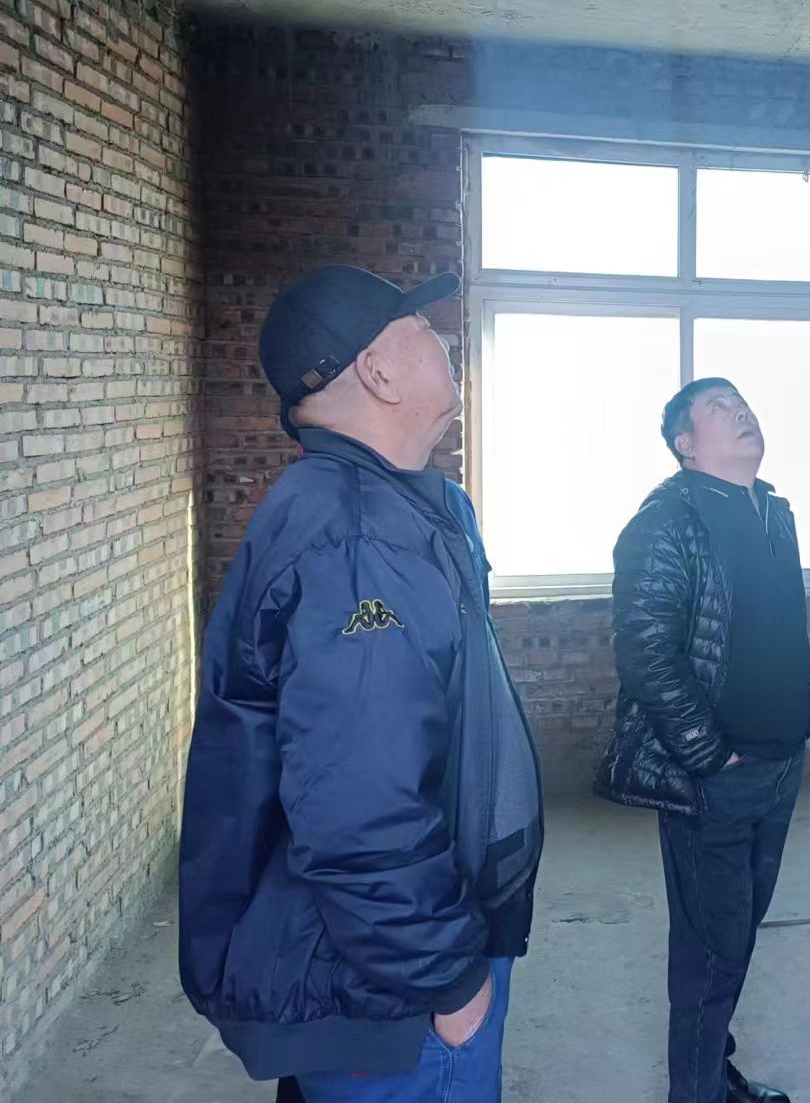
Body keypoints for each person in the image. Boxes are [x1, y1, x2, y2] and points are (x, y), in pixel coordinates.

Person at [179, 266, 543, 1103]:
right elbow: (361, 803)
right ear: (377, 371)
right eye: (422, 328)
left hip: (382, 953)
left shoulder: (394, 507)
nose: (446, 341)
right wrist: (447, 978)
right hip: (392, 989)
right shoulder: (356, 540)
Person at [597, 378, 810, 1103]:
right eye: (719, 407)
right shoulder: (665, 523)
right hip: (716, 774)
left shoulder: (774, 513)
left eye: (743, 402)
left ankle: (711, 1072)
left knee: (738, 935)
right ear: (685, 444)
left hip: (781, 761)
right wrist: (708, 755)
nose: (742, 412)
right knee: (710, 951)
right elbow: (645, 652)